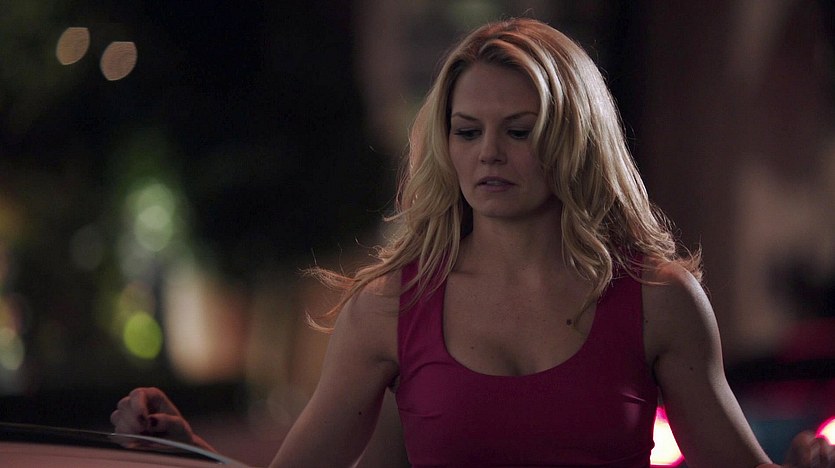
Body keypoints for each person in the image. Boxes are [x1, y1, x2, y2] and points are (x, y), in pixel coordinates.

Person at [111, 17, 834, 467]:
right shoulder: (388, 307)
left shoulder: (657, 299)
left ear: (574, 142)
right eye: (467, 131)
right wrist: (185, 451)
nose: (489, 153)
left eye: (518, 131)